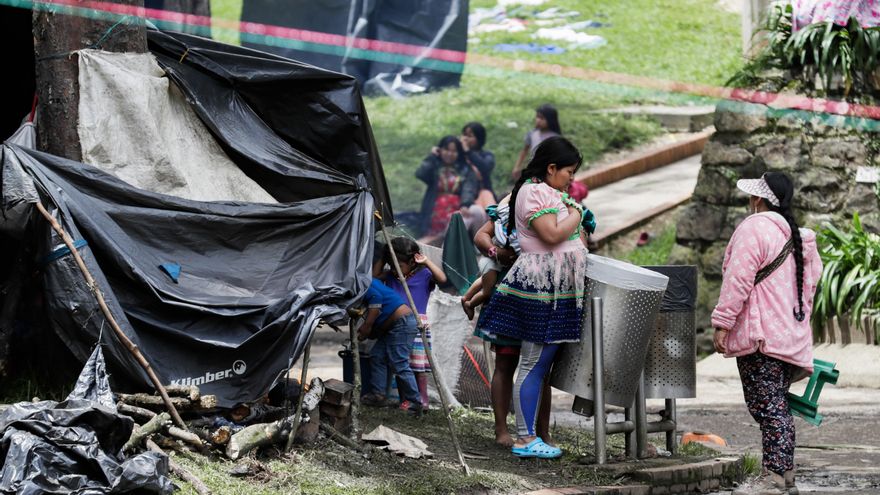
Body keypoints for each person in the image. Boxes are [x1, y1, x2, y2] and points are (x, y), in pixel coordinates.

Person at [479, 136, 590, 458]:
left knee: (539, 365)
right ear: (551, 168)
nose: (571, 178)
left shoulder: (549, 192)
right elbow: (551, 234)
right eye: (569, 171)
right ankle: (525, 438)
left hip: (556, 288)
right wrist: (577, 213)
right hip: (542, 287)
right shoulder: (533, 192)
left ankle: (531, 436)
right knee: (531, 363)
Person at [712, 172, 822, 495]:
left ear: (758, 199)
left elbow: (738, 280)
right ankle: (784, 475)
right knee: (775, 405)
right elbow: (810, 288)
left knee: (769, 407)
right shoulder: (798, 236)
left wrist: (723, 322)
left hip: (760, 336)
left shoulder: (755, 228)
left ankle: (774, 476)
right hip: (788, 337)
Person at [381, 237, 447, 411]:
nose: (395, 269)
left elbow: (442, 279)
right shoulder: (391, 276)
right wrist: (383, 257)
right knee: (400, 363)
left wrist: (426, 262)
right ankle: (405, 399)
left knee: (418, 365)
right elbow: (372, 277)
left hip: (418, 325)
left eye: (399, 265)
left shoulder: (424, 275)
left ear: (412, 262)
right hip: (396, 324)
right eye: (391, 265)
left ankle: (422, 399)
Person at [357, 277, 423, 416]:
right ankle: (379, 395)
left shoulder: (362, 282)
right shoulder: (366, 280)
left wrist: (367, 326)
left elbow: (376, 300)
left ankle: (415, 402)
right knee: (377, 355)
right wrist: (370, 331)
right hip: (392, 326)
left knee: (399, 363)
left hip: (402, 323)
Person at [416, 135, 480, 237]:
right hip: (434, 209)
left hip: (457, 208)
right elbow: (421, 174)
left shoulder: (465, 169)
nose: (450, 154)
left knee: (471, 215)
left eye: (454, 151)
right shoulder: (435, 165)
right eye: (446, 150)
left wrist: (465, 204)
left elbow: (468, 189)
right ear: (440, 150)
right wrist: (432, 156)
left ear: (459, 153)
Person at [512, 104, 562, 180]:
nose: (538, 120)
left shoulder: (555, 138)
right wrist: (517, 167)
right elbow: (524, 150)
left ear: (550, 120)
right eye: (537, 117)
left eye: (542, 118)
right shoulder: (532, 134)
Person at [460, 122, 497, 207]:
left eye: (470, 136)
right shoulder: (457, 155)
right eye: (464, 135)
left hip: (481, 193)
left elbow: (485, 167)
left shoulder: (487, 155)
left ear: (479, 138)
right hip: (461, 194)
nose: (465, 139)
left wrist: (468, 152)